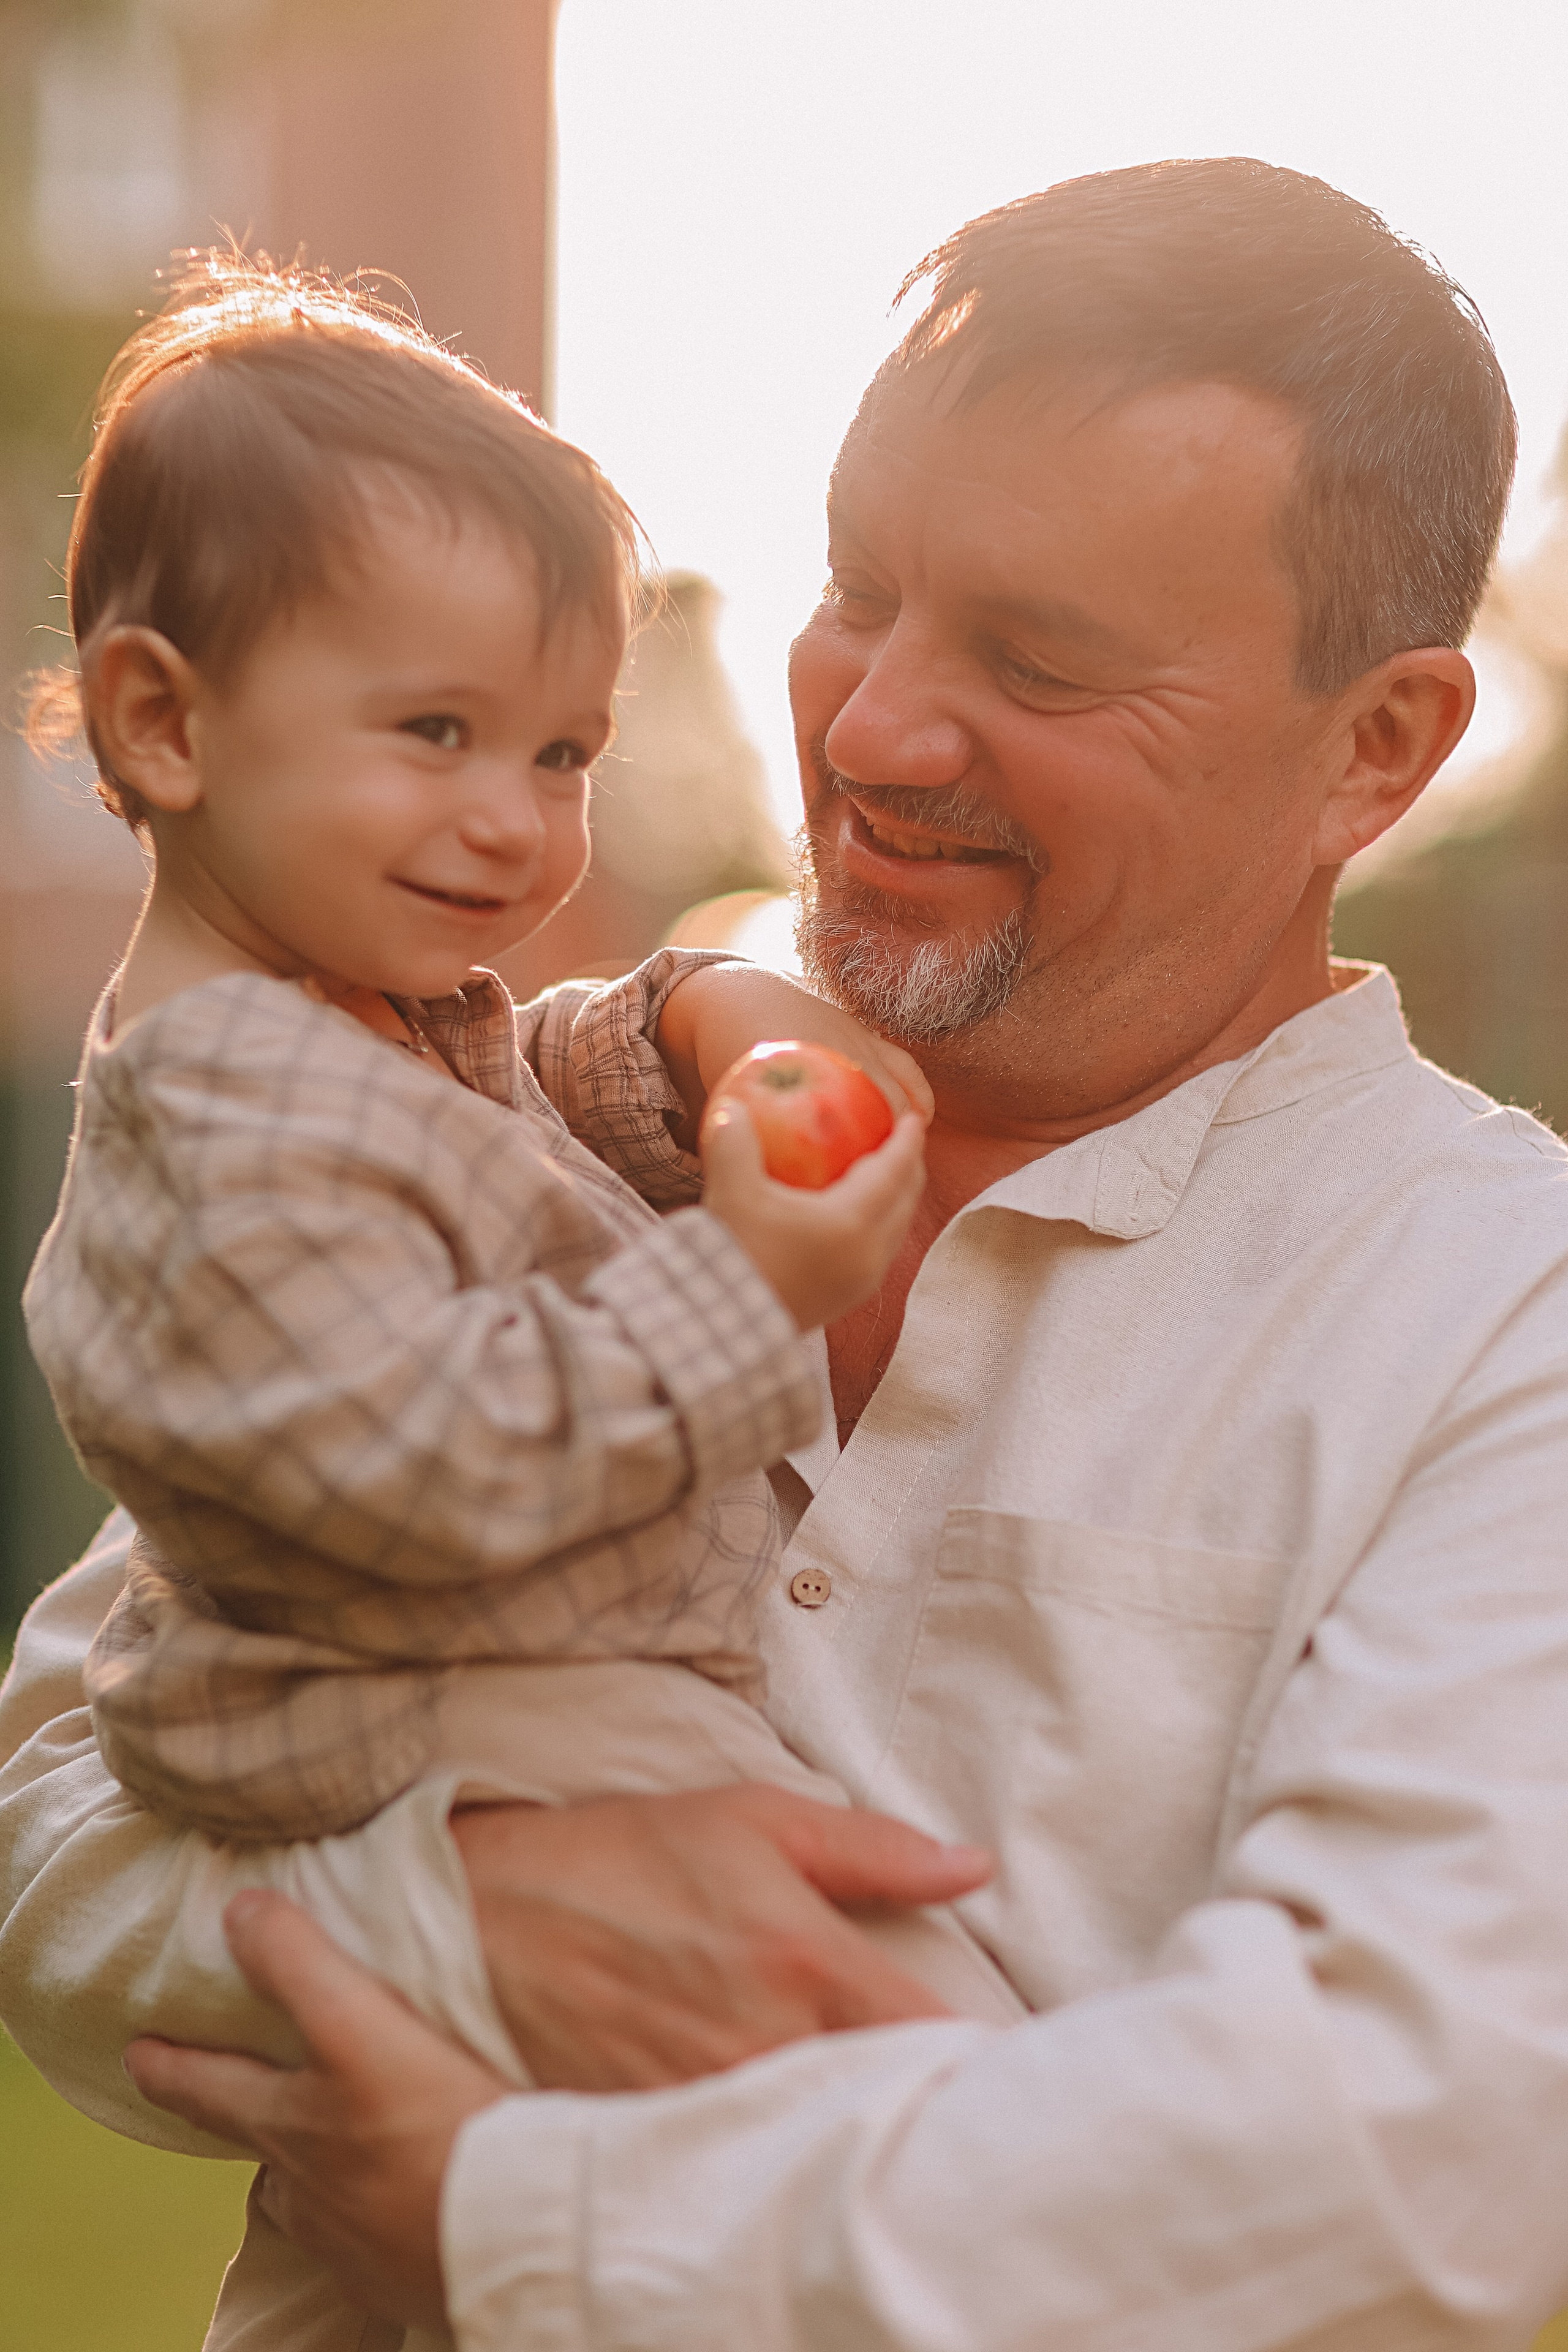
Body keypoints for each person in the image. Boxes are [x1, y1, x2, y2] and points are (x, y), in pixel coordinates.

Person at [7, 154, 1568, 2350]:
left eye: (1038, 658)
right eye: (858, 587)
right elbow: (65, 1792)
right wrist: (456, 1912)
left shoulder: (1504, 1318)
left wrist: (524, 2215)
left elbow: (1413, 2151)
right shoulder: (494, 1111)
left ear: (1378, 749)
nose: (869, 727)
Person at [10, 256, 1021, 2352]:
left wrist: (717, 1022)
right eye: (438, 732)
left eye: (564, 751)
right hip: (464, 1707)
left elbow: (535, 1072)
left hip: (466, 1698)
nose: (516, 821)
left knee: (370, 2247)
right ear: (160, 721)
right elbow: (433, 1460)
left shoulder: (345, 1017)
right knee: (922, 2051)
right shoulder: (228, 1124)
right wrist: (754, 1284)